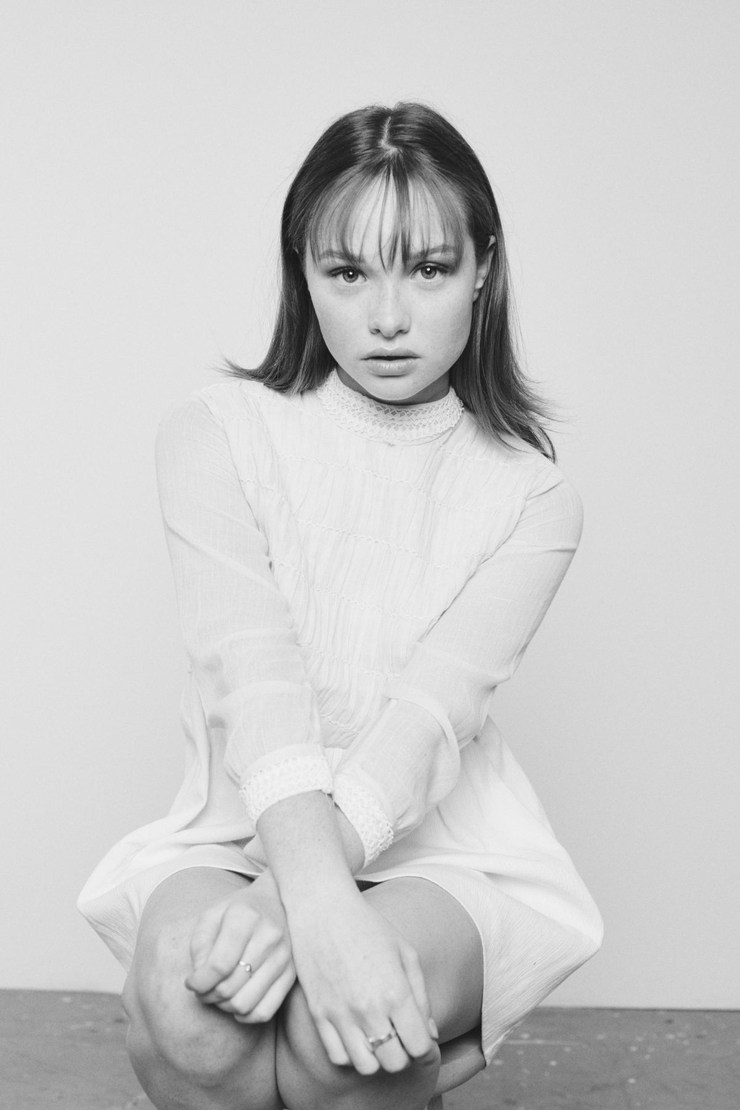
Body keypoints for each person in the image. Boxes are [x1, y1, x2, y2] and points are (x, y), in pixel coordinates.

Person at [78, 101, 603, 1110]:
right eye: (348, 272)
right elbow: (255, 676)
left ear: (484, 267)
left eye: (429, 268)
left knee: (337, 1044)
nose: (388, 316)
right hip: (234, 831)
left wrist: (299, 905)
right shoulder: (215, 433)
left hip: (439, 851)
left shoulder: (532, 497)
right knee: (193, 1017)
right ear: (303, 271)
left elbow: (427, 719)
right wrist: (305, 894)